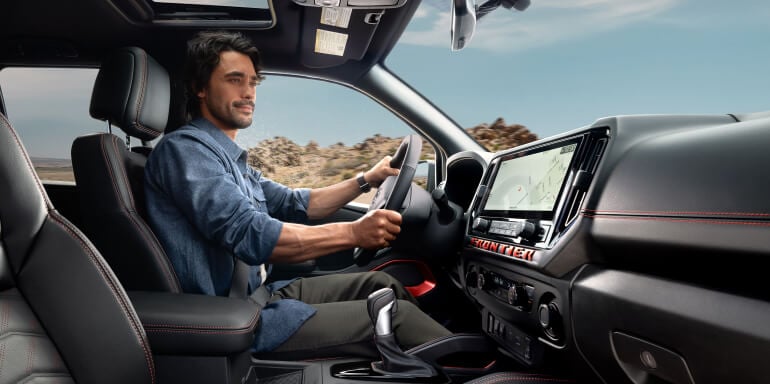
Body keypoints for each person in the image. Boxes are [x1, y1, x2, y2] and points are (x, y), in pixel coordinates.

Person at [144, 30, 452, 359]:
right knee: (396, 318)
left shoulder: (227, 159)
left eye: (253, 82)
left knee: (382, 285)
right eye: (234, 80)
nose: (248, 93)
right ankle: (480, 371)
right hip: (237, 318)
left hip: (261, 296)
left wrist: (366, 180)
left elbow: (296, 204)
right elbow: (250, 234)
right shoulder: (186, 151)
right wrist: (354, 232)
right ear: (200, 88)